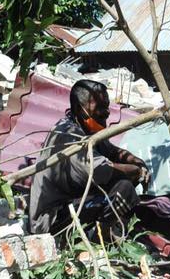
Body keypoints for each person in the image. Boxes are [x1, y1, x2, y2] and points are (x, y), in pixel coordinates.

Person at [29, 80, 150, 243]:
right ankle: (100, 237)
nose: (106, 113)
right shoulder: (70, 136)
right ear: (80, 109)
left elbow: (113, 151)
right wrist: (137, 171)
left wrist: (136, 161)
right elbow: (104, 170)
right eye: (99, 107)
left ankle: (102, 230)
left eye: (106, 106)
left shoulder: (85, 128)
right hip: (50, 221)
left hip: (70, 204)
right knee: (124, 187)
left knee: (123, 181)